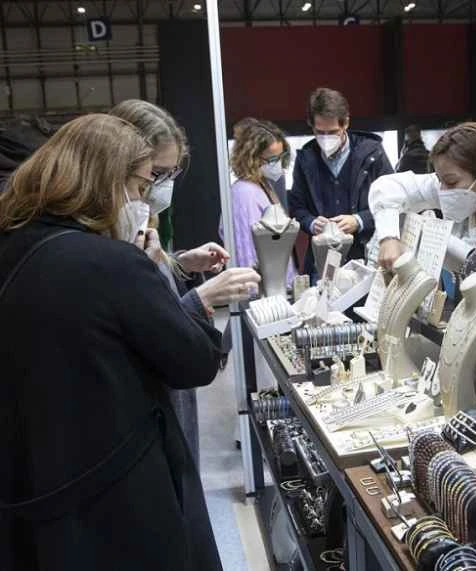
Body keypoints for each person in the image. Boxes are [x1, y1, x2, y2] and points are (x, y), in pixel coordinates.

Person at [0, 114, 224, 570]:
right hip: (115, 491)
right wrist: (167, 285)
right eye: (140, 187)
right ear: (106, 181)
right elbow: (195, 361)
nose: (142, 202)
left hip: (36, 491)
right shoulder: (112, 263)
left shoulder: (15, 246)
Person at [110, 99, 261, 466]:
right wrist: (202, 298)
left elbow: (150, 282)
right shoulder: (109, 231)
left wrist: (179, 263)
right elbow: (146, 329)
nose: (162, 187)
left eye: (172, 175)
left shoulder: (144, 220)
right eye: (156, 175)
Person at [369, 122, 476, 271]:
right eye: (439, 180)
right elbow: (386, 187)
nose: (442, 191)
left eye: (451, 182)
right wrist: (389, 237)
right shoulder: (449, 188)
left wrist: (448, 244)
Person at [289, 87, 394, 275]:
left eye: (332, 132)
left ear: (346, 123)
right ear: (311, 125)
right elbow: (297, 208)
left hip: (366, 257)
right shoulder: (305, 159)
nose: (326, 139)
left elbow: (393, 203)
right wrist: (312, 223)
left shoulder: (373, 153)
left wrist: (359, 220)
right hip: (322, 260)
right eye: (320, 132)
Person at [227, 122, 296, 278]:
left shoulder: (263, 185)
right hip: (260, 286)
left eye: (281, 157)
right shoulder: (244, 194)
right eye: (272, 159)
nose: (278, 164)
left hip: (278, 283)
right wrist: (254, 289)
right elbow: (246, 252)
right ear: (251, 159)